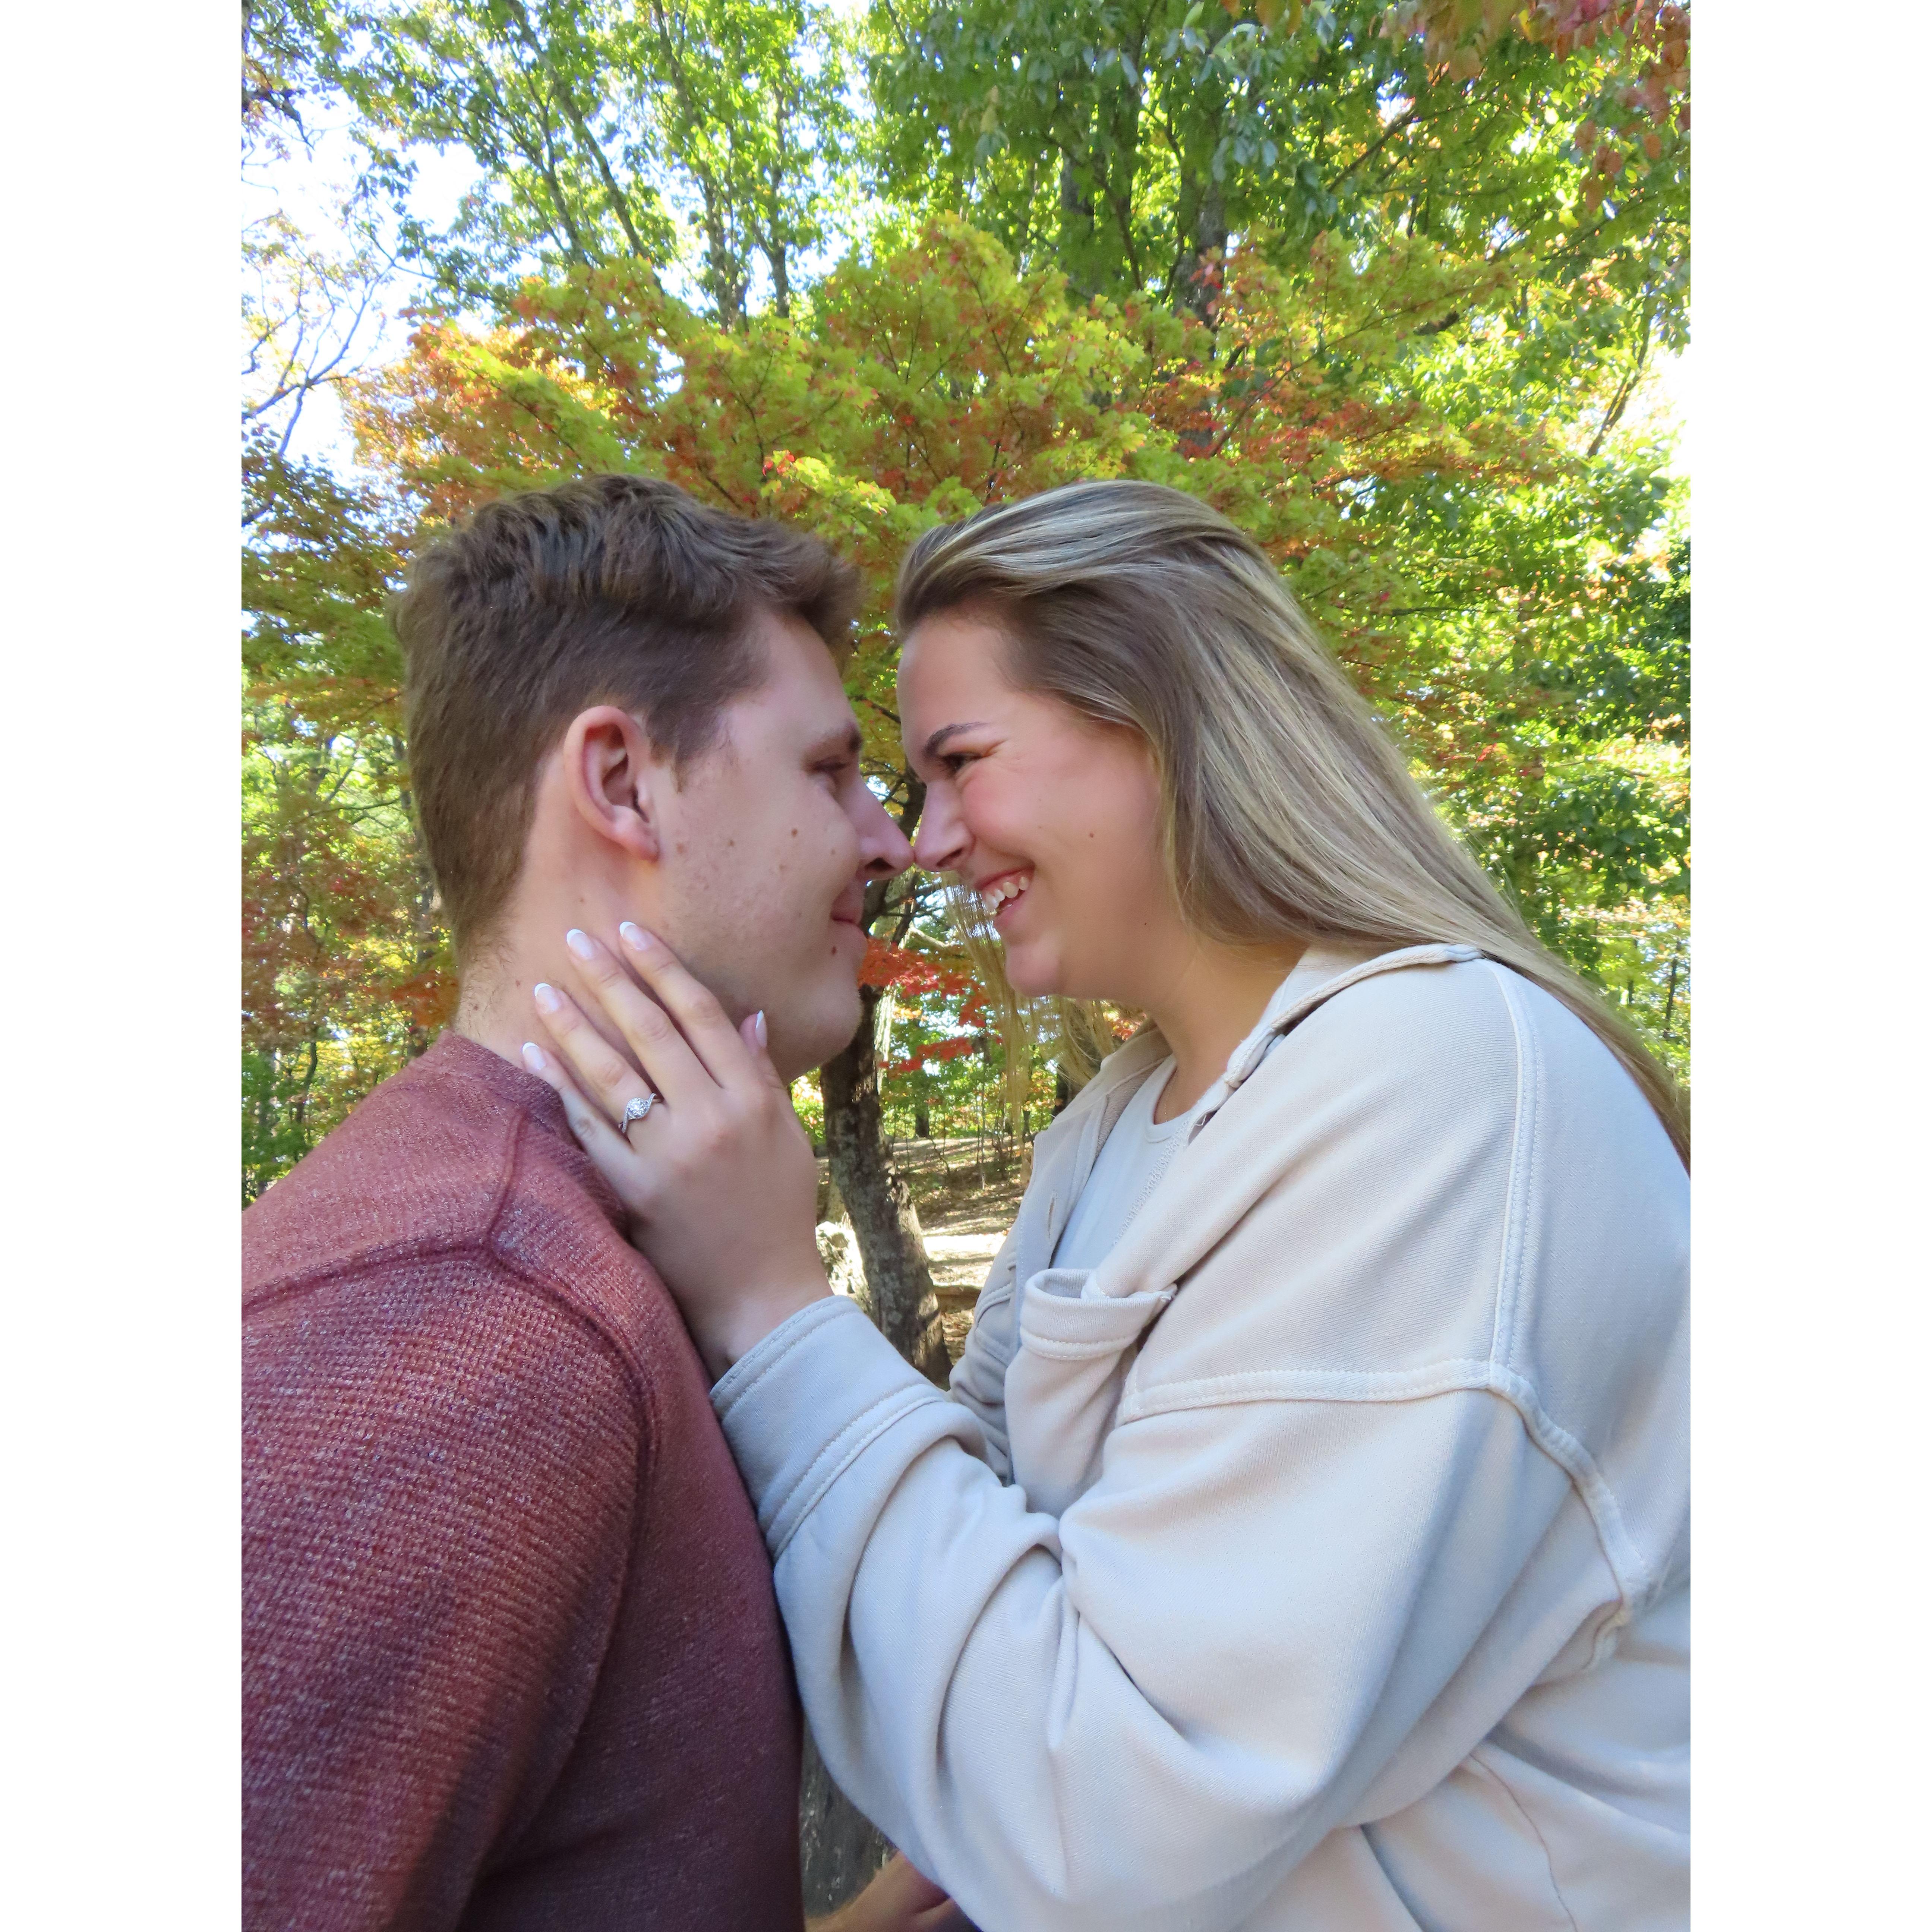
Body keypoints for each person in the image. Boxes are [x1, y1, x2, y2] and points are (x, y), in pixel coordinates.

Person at [527, 479, 1691, 1932]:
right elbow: (995, 1574)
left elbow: (1111, 1818)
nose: (923, 840)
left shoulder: (1440, 1086)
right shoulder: (1113, 1130)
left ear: (1161, 719)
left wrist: (770, 1301)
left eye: (960, 762)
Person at [242, 474, 963, 1931]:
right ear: (624, 783)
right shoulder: (457, 1325)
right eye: (831, 771)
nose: (889, 840)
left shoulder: (571, 1253)